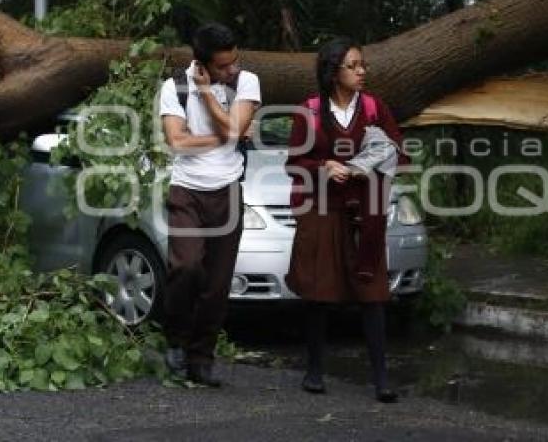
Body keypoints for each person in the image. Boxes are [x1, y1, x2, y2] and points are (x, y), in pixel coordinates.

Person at [284, 36, 407, 403]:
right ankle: (315, 371)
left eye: (362, 65)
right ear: (333, 72)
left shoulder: (373, 109)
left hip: (364, 212)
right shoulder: (308, 110)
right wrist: (324, 166)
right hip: (320, 210)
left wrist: (363, 166)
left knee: (372, 294)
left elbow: (398, 153)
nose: (361, 71)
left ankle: (381, 379)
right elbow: (294, 163)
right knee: (318, 292)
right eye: (353, 66)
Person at [158, 22, 261, 386]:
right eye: (222, 66)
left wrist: (208, 96)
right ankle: (175, 339)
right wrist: (227, 131)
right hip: (187, 188)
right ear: (201, 64)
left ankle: (201, 357)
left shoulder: (247, 81)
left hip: (228, 189)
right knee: (185, 268)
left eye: (234, 61)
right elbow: (177, 142)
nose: (231, 69)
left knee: (217, 284)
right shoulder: (175, 87)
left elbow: (234, 131)